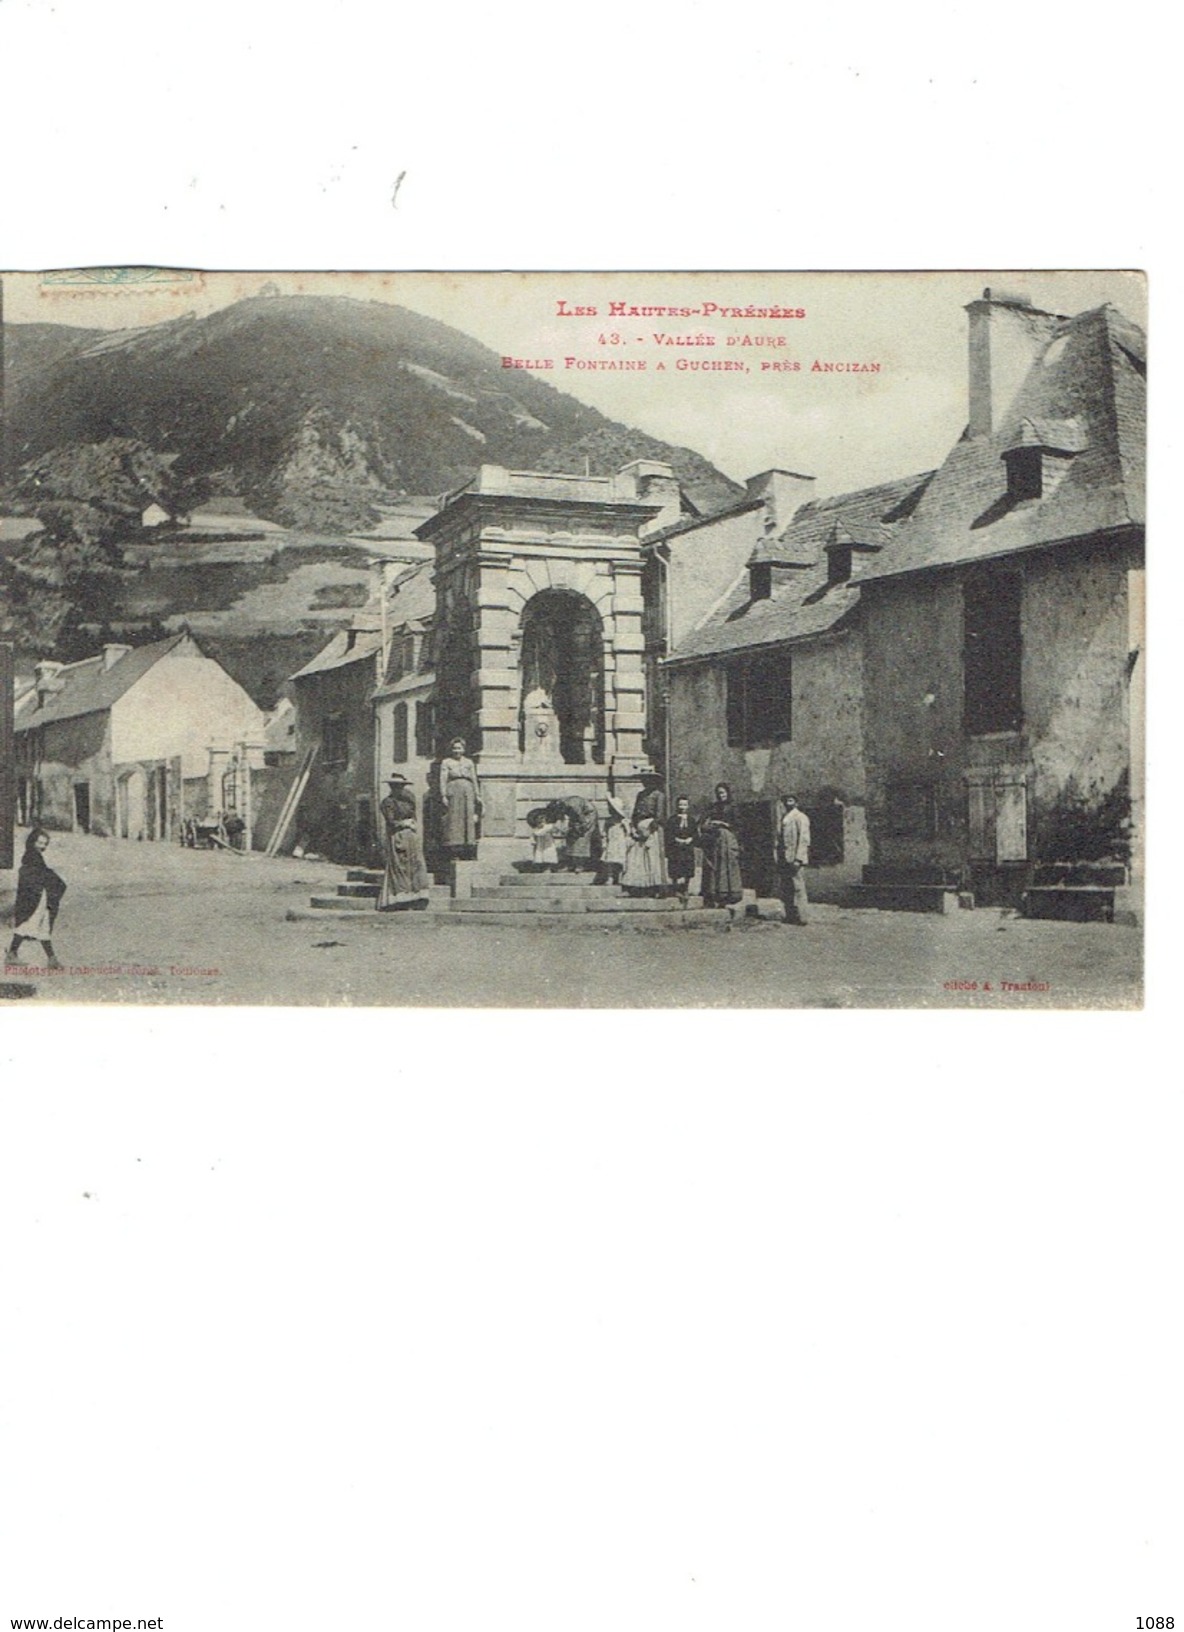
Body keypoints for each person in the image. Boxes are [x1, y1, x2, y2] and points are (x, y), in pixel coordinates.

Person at [6, 828, 67, 969]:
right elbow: (34, 877)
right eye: (39, 842)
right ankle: (14, 954)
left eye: (45, 843)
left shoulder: (33, 856)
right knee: (34, 924)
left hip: (39, 896)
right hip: (36, 897)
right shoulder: (32, 857)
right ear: (32, 841)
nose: (42, 846)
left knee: (38, 924)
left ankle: (51, 959)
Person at [378, 774, 431, 910]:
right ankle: (400, 898)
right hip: (398, 835)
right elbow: (391, 822)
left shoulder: (408, 800)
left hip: (411, 835)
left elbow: (413, 816)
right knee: (400, 864)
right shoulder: (387, 802)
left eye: (401, 786)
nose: (399, 789)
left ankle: (417, 896)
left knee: (416, 863)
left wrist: (412, 823)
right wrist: (404, 823)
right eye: (395, 786)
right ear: (391, 787)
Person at [621, 772, 668, 896]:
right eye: (644, 780)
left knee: (652, 858)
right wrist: (634, 828)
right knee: (638, 859)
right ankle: (639, 887)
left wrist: (649, 829)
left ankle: (655, 888)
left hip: (652, 829)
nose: (645, 782)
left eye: (648, 780)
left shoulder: (659, 795)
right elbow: (635, 813)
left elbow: (659, 816)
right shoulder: (640, 795)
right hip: (640, 828)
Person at [699, 783, 743, 907]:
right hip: (716, 839)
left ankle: (730, 895)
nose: (721, 795)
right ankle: (717, 894)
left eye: (723, 793)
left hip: (729, 839)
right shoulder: (714, 807)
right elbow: (702, 821)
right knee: (717, 865)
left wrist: (724, 824)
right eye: (718, 793)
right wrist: (711, 824)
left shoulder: (733, 807)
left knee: (728, 865)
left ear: (728, 793)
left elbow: (738, 825)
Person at [439, 738, 481, 857]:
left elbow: (473, 778)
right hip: (453, 790)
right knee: (453, 819)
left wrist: (477, 794)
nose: (457, 751)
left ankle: (467, 849)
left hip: (467, 791)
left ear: (464, 749)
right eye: (455, 748)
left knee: (467, 818)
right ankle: (453, 849)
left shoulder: (469, 762)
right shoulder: (446, 762)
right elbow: (443, 779)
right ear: (451, 749)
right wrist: (443, 795)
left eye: (459, 748)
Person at [777, 793, 811, 926]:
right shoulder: (785, 818)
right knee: (787, 888)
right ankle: (790, 915)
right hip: (785, 858)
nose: (788, 803)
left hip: (795, 859)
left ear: (796, 802)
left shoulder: (800, 817)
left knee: (798, 887)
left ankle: (802, 916)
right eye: (786, 801)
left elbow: (804, 839)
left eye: (791, 800)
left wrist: (799, 859)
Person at [664, 795, 699, 905]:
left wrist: (691, 839)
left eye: (684, 805)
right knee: (675, 868)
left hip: (687, 848)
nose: (682, 807)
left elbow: (695, 833)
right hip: (676, 848)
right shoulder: (672, 819)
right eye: (680, 804)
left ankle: (685, 888)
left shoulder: (691, 820)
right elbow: (668, 833)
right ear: (676, 806)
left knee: (688, 868)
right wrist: (676, 839)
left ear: (688, 806)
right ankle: (675, 888)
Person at [597, 785, 631, 886]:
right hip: (611, 843)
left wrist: (628, 838)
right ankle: (610, 877)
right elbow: (604, 832)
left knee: (621, 860)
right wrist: (604, 841)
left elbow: (628, 832)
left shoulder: (624, 821)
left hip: (620, 843)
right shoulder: (609, 821)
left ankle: (620, 877)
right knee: (610, 861)